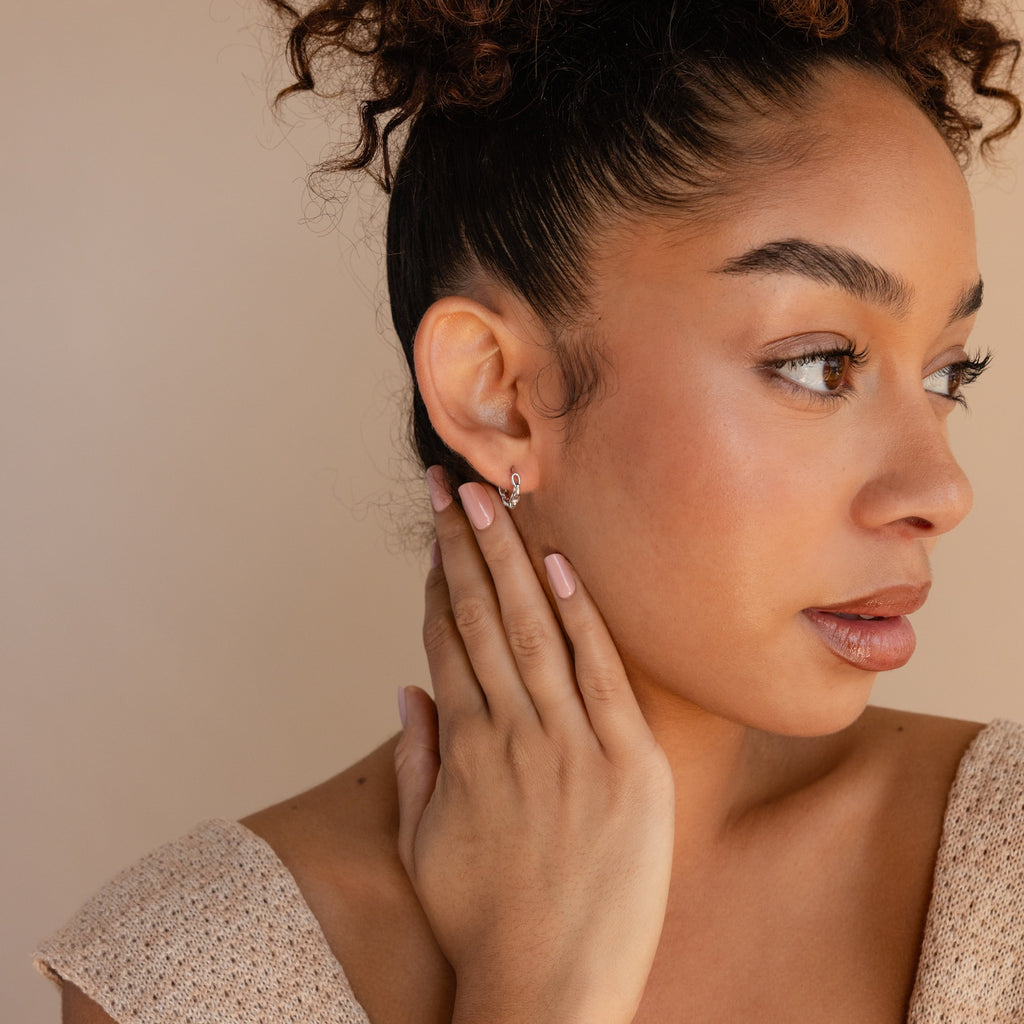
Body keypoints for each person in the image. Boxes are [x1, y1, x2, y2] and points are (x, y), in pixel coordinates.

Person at [36, 1, 1024, 1021]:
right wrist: (537, 990)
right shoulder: (187, 979)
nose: (940, 490)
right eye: (821, 363)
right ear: (497, 391)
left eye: (950, 372)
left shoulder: (1007, 871)